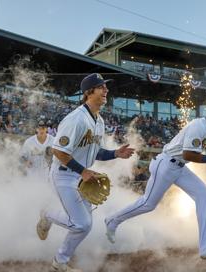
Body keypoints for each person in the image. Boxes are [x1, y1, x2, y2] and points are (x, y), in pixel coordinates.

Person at [104, 102, 206, 259]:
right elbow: (188, 155)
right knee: (148, 204)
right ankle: (112, 220)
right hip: (166, 164)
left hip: (179, 167)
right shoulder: (198, 126)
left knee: (205, 196)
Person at [36, 73, 135, 272]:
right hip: (64, 174)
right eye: (101, 87)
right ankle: (47, 216)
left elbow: (95, 151)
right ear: (89, 92)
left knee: (85, 225)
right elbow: (58, 151)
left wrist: (116, 153)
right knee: (81, 224)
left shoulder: (99, 121)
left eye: (106, 87)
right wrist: (82, 171)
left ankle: (60, 260)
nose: (106, 90)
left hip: (82, 176)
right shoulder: (76, 119)